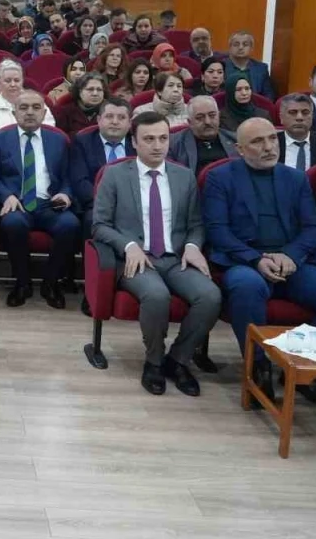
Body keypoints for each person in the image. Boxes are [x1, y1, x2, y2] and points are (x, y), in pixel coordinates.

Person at [202, 117, 316, 406]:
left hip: (293, 261)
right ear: (239, 148)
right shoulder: (220, 177)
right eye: (257, 141)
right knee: (246, 287)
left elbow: (313, 228)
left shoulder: (296, 178)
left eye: (272, 139)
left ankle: (299, 367)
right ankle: (259, 367)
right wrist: (255, 259)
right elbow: (217, 231)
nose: (268, 147)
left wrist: (290, 255)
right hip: (245, 262)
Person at [93, 112, 221, 397]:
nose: (157, 145)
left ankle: (177, 359)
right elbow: (99, 225)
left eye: (163, 138)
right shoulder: (115, 175)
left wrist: (192, 246)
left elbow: (196, 224)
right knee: (156, 295)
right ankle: (153, 361)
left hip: (176, 258)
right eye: (149, 139)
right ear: (134, 142)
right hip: (136, 258)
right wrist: (128, 246)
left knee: (210, 296)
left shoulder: (184, 176)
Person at [0, 91, 78, 308]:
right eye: (24, 107)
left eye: (36, 108)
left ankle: (51, 282)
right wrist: (6, 195)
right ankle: (22, 282)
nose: (30, 112)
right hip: (17, 202)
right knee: (12, 223)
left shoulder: (58, 139)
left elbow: (68, 177)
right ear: (14, 112)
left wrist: (65, 193)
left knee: (71, 225)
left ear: (44, 112)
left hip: (49, 204)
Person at [69, 97, 132, 235]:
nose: (115, 122)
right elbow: (80, 182)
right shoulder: (82, 142)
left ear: (129, 123)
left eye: (121, 117)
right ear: (99, 120)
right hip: (95, 204)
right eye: (109, 116)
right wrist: (107, 203)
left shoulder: (137, 144)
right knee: (91, 219)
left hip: (133, 205)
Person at [0, 59, 57, 134]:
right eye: (8, 81)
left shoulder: (37, 103)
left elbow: (49, 129)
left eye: (17, 80)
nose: (13, 84)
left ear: (22, 82)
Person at [167, 96, 237, 174]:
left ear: (219, 116)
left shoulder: (235, 139)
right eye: (200, 118)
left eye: (212, 115)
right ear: (190, 122)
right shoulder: (173, 144)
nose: (207, 122)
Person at [277, 93, 316, 170]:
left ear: (312, 117)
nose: (299, 118)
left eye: (305, 112)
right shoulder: (272, 144)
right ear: (281, 118)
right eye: (293, 112)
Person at [223, 30, 276, 99]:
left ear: (251, 48)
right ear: (230, 48)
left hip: (255, 107)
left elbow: (269, 95)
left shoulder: (261, 68)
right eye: (236, 44)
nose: (240, 47)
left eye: (245, 44)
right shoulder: (221, 66)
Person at [54, 72, 107, 136]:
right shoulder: (65, 112)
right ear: (80, 91)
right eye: (90, 89)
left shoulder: (110, 111)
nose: (95, 93)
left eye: (99, 90)